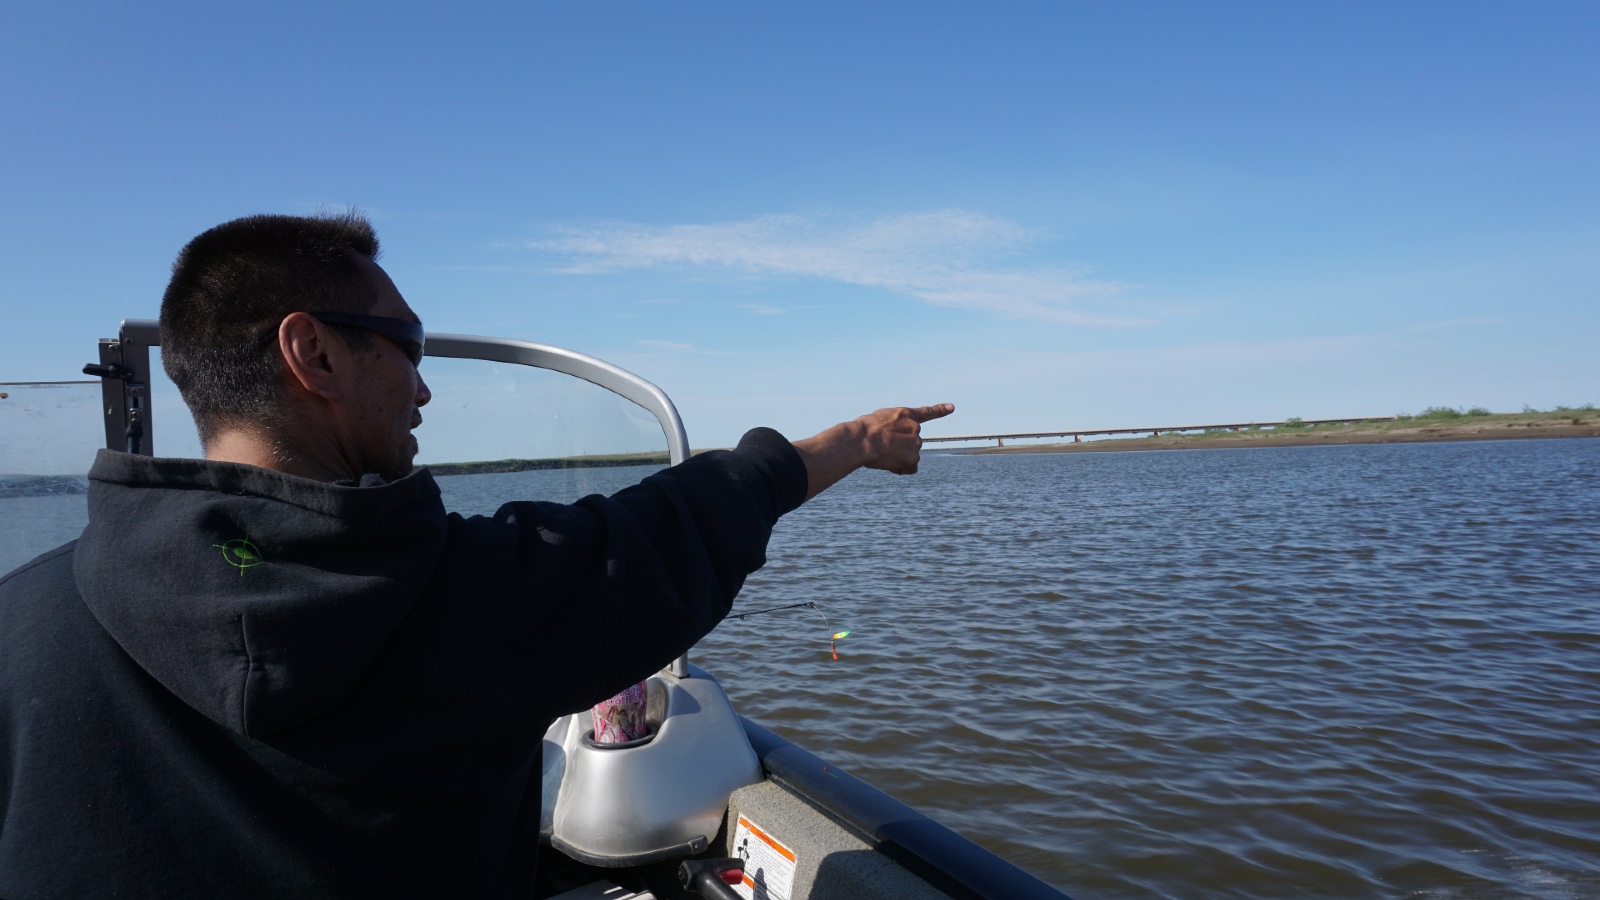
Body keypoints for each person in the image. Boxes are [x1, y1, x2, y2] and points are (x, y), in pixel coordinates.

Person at [0, 212, 953, 898]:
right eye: (405, 345)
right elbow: (675, 527)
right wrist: (858, 442)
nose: (421, 388)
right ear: (314, 355)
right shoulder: (474, 598)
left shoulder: (22, 624)